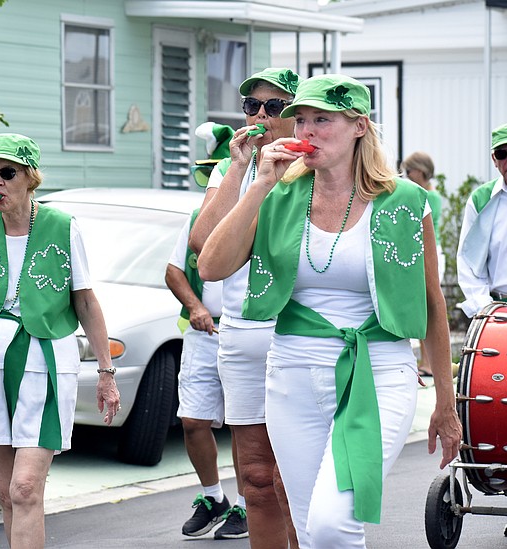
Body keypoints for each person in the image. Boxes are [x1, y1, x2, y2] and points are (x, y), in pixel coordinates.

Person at [198, 74, 461, 547]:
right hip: (292, 372)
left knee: (331, 523)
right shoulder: (280, 192)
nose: (307, 130)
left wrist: (446, 402)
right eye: (301, 119)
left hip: (378, 370)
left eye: (323, 119)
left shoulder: (405, 200)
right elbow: (211, 265)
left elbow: (433, 306)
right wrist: (258, 185)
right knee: (308, 528)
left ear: (359, 126)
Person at [0, 133, 121, 549]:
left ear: (29, 178)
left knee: (25, 488)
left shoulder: (62, 226)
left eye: (7, 172)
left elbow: (85, 301)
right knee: (5, 494)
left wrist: (105, 372)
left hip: (45, 360)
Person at [188, 68, 300, 548]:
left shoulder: (314, 166)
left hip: (294, 331)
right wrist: (237, 168)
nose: (259, 116)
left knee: (290, 477)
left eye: (273, 108)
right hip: (238, 332)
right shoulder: (229, 168)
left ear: (296, 116)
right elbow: (201, 244)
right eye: (251, 107)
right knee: (254, 477)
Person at [166, 123, 248, 538]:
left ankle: (250, 504)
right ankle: (214, 496)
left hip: (246, 331)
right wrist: (195, 306)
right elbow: (174, 271)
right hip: (204, 334)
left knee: (246, 424)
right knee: (193, 421)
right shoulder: (199, 218)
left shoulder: (262, 207)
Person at [455, 121, 507, 538]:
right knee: (506, 406)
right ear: (494, 159)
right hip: (501, 314)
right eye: (502, 154)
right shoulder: (483, 199)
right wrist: (486, 310)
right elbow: (468, 261)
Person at [401, 151, 444, 376]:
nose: (407, 175)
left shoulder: (430, 197)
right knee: (419, 306)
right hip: (419, 252)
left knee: (427, 307)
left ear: (420, 170)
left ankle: (429, 362)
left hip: (429, 254)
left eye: (409, 171)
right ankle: (424, 361)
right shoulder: (424, 194)